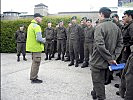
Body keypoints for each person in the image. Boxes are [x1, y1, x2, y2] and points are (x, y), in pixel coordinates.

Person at [90, 7, 123, 100]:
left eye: (98, 14)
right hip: (109, 59)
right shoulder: (116, 27)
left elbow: (100, 45)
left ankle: (101, 97)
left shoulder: (99, 27)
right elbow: (120, 43)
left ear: (101, 14)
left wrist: (110, 58)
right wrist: (114, 57)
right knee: (99, 78)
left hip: (98, 59)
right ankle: (95, 92)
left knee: (97, 80)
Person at [26, 13, 45, 83]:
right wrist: (45, 40)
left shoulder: (30, 25)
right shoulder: (37, 26)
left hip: (32, 47)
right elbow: (39, 39)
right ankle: (34, 78)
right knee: (36, 63)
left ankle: (33, 76)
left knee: (34, 62)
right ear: (37, 18)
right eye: (40, 17)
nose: (41, 19)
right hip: (36, 48)